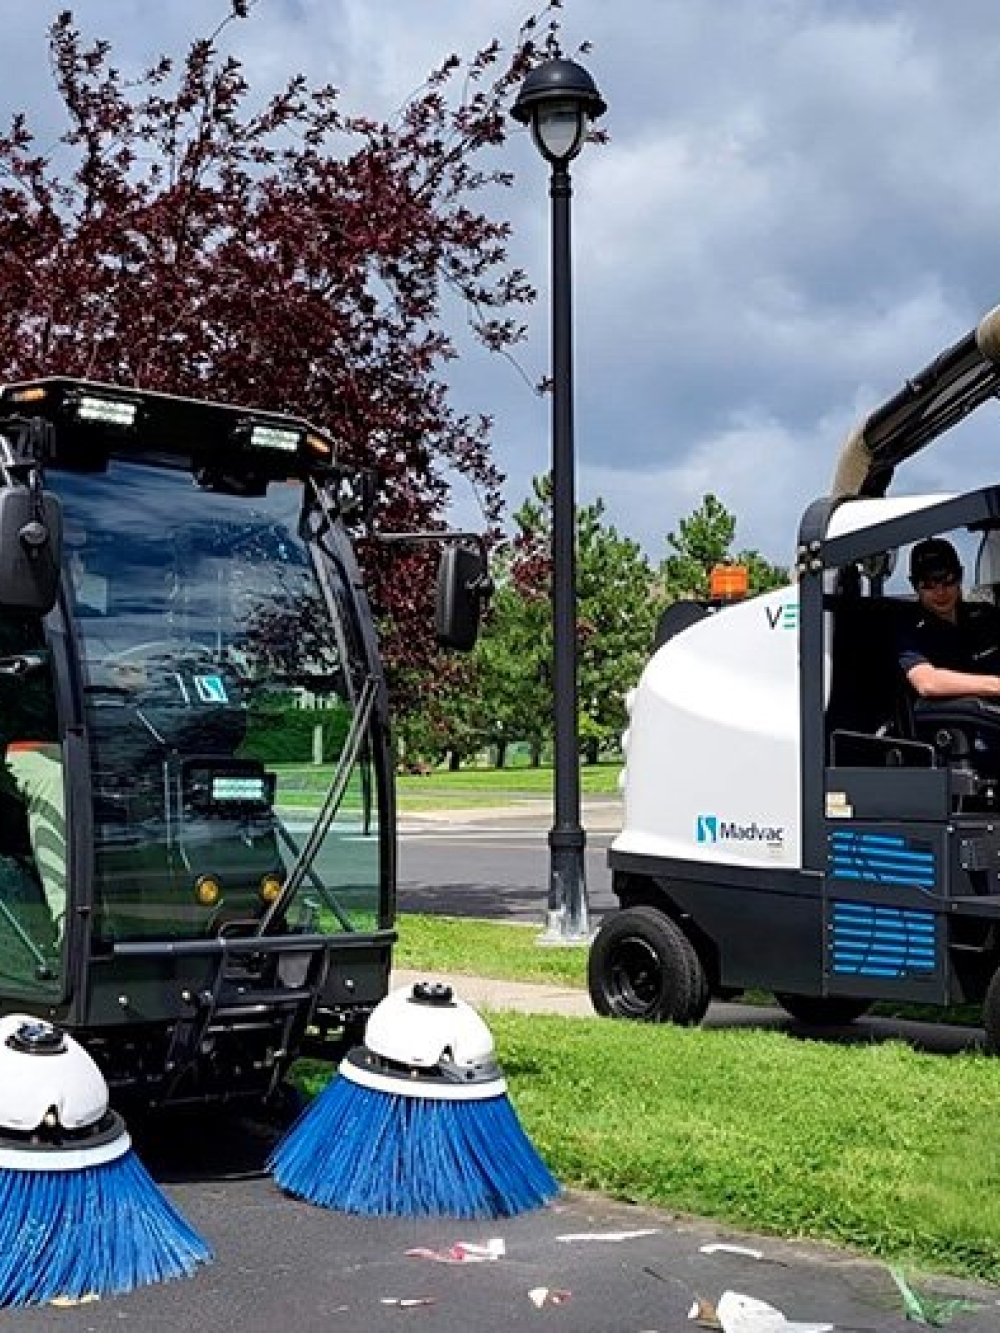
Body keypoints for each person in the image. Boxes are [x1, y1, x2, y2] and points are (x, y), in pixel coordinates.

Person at [897, 537, 1000, 700]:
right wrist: (996, 685)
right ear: (914, 585)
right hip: (954, 714)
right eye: (929, 584)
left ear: (960, 576)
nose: (940, 592)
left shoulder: (986, 615)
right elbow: (927, 683)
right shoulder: (908, 631)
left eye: (948, 580)